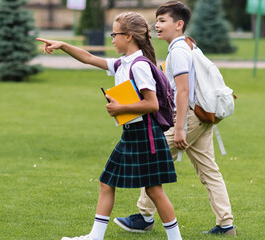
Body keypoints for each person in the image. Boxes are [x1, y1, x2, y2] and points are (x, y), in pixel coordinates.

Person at [37, 11, 181, 240]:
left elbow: (152, 104)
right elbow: (88, 58)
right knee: (107, 182)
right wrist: (63, 45)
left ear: (129, 36)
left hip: (146, 134)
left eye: (115, 34)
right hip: (132, 133)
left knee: (154, 190)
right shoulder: (123, 63)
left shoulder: (139, 65)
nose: (112, 38)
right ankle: (95, 237)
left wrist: (120, 109)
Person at [113, 1, 236, 236]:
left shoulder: (179, 51)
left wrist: (179, 128)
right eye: (157, 20)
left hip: (189, 116)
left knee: (153, 157)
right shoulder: (187, 46)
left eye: (162, 20)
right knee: (209, 170)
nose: (156, 25)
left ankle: (144, 217)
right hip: (203, 115)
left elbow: (182, 90)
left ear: (178, 25)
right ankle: (226, 224)